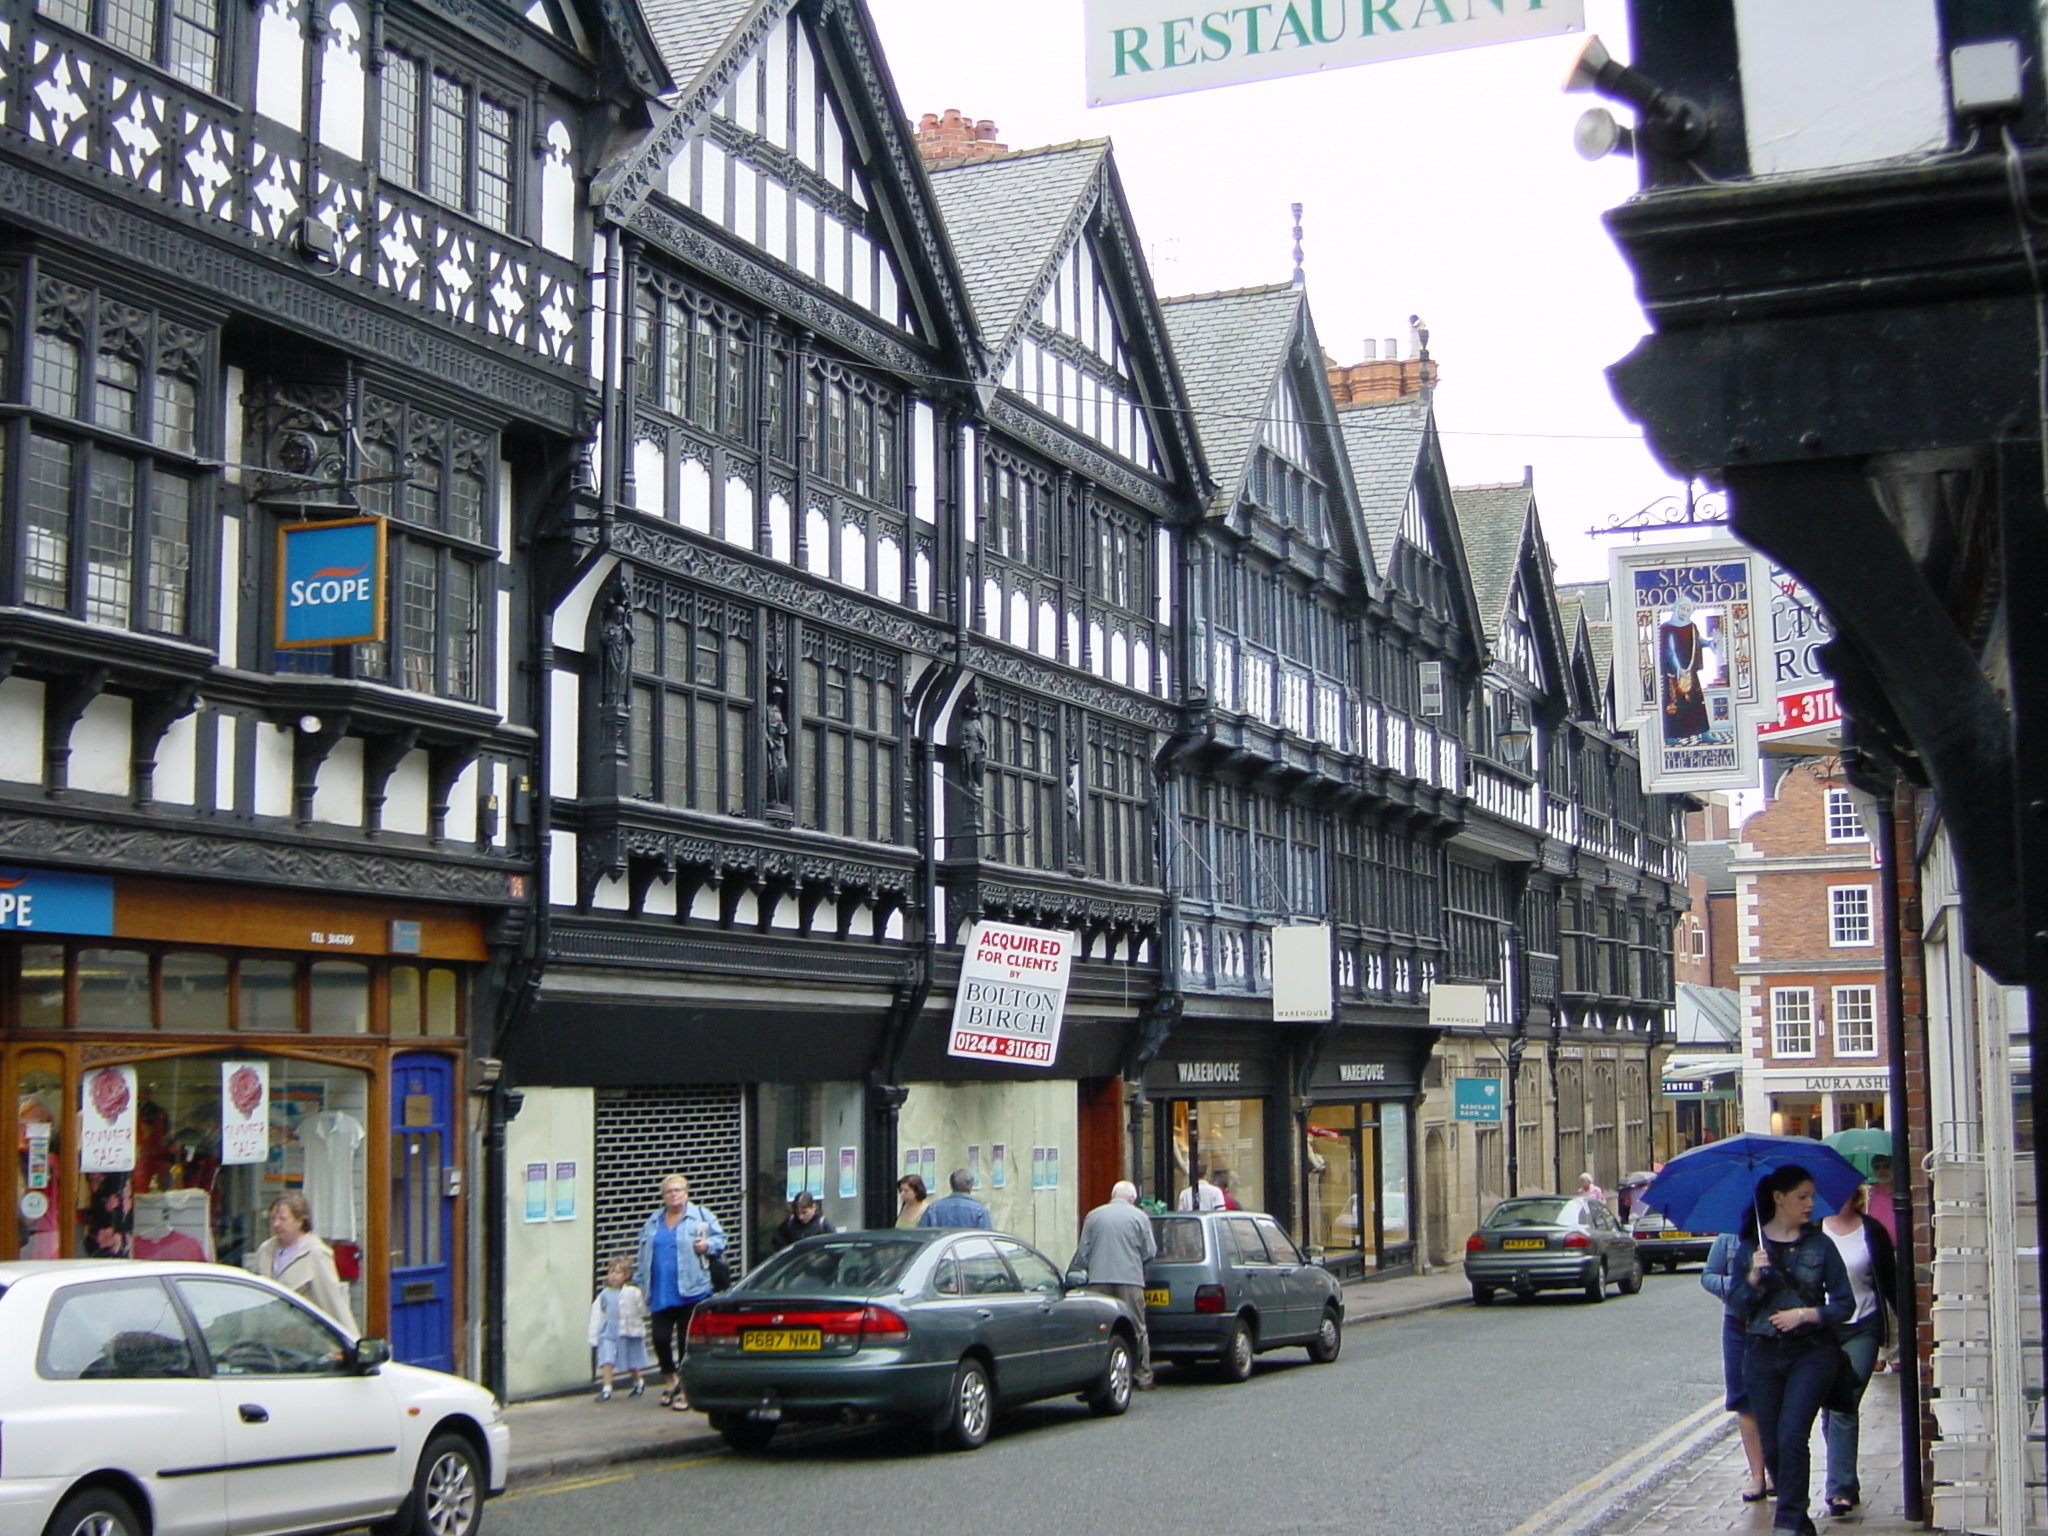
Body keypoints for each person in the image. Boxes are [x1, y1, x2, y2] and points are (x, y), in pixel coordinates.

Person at [1728, 1165, 1854, 1536]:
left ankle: (1786, 1521)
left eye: (1812, 1196)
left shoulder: (1819, 1245)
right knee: (1772, 1443)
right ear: (1778, 1198)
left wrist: (1807, 1314)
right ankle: (1799, 1523)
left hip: (1811, 1353)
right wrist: (1751, 1278)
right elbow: (1736, 1307)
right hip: (1762, 1353)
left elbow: (1845, 1304)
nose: (1810, 1204)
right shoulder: (1751, 1248)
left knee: (1792, 1433)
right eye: (1802, 1197)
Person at [1820, 1184, 1898, 1517]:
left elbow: (1890, 1281)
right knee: (1830, 1408)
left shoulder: (1872, 1231)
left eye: (1846, 1194)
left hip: (1863, 1325)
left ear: (1856, 1197)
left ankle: (1838, 1490)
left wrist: (1907, 1330)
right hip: (1822, 1328)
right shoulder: (1812, 1232)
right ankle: (1846, 1482)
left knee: (1845, 1401)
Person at [633, 1174, 727, 1410]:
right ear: (663, 1196)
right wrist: (642, 1285)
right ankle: (670, 1380)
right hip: (661, 1291)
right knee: (660, 1339)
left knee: (687, 1342)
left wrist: (707, 1246)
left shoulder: (701, 1217)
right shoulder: (654, 1221)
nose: (673, 1195)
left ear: (686, 1193)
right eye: (668, 1191)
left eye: (678, 1190)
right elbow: (643, 1254)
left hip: (692, 1289)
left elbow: (721, 1239)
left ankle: (685, 1387)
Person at [1701, 1232, 1772, 1503]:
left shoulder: (1781, 1236)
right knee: (1744, 1400)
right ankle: (1757, 1475)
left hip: (1773, 1323)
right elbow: (1708, 1276)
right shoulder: (1728, 1240)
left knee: (1774, 1397)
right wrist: (1742, 1283)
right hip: (1738, 1324)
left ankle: (1777, 1471)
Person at [1071, 1180, 1158, 1390]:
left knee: (1100, 1329)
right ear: (1132, 1198)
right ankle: (1143, 1375)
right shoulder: (1139, 1217)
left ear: (1113, 1195)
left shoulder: (1094, 1215)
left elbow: (1083, 1252)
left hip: (1099, 1280)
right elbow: (1150, 1252)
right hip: (1130, 1280)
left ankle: (1099, 1374)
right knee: (1137, 1327)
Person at [248, 1191, 356, 1333]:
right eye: (273, 1218)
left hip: (302, 1342)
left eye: (283, 1219)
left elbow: (332, 1302)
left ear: (300, 1221)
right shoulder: (265, 1250)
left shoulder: (316, 1254)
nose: (276, 1224)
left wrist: (352, 1342)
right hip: (266, 1341)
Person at [587, 1254, 650, 1402]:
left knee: (631, 1360)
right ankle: (607, 1388)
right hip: (609, 1332)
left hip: (627, 1332)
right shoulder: (604, 1294)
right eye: (611, 1272)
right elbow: (598, 1314)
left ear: (626, 1275)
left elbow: (643, 1311)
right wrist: (594, 1335)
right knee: (607, 1359)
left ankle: (638, 1382)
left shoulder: (632, 1292)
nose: (613, 1276)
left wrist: (642, 1298)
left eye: (618, 1272)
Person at [919, 1168, 993, 1229]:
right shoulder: (979, 1210)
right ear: (971, 1186)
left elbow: (922, 1234)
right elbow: (985, 1237)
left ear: (951, 1185)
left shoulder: (933, 1208)